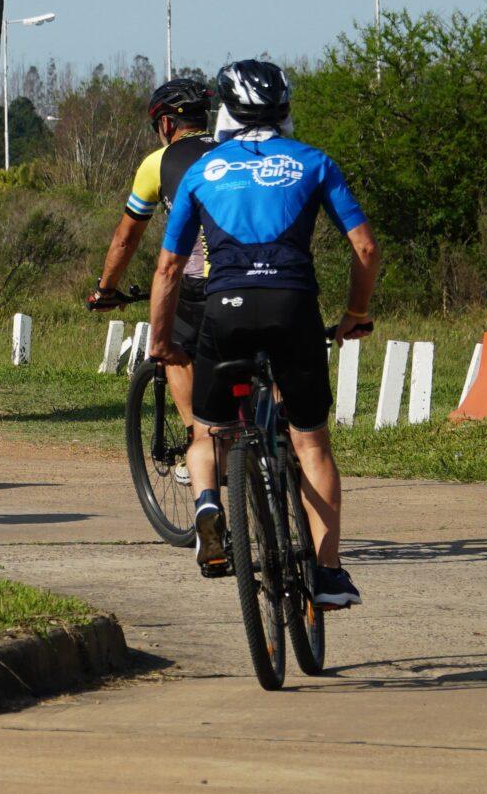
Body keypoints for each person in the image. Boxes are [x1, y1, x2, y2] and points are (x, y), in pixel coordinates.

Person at [149, 59, 380, 611]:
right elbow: (366, 248)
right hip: (293, 308)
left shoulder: (204, 171)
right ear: (285, 111)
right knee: (311, 443)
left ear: (225, 113)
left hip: (223, 310)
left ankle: (208, 504)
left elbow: (168, 269)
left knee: (207, 434)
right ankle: (326, 575)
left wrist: (161, 341)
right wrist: (354, 312)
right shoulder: (315, 162)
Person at [89, 76, 216, 434]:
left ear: (165, 123)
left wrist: (105, 290)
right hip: (252, 276)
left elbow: (125, 240)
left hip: (199, 286)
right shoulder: (231, 152)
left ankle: (199, 440)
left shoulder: (158, 162)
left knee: (171, 348)